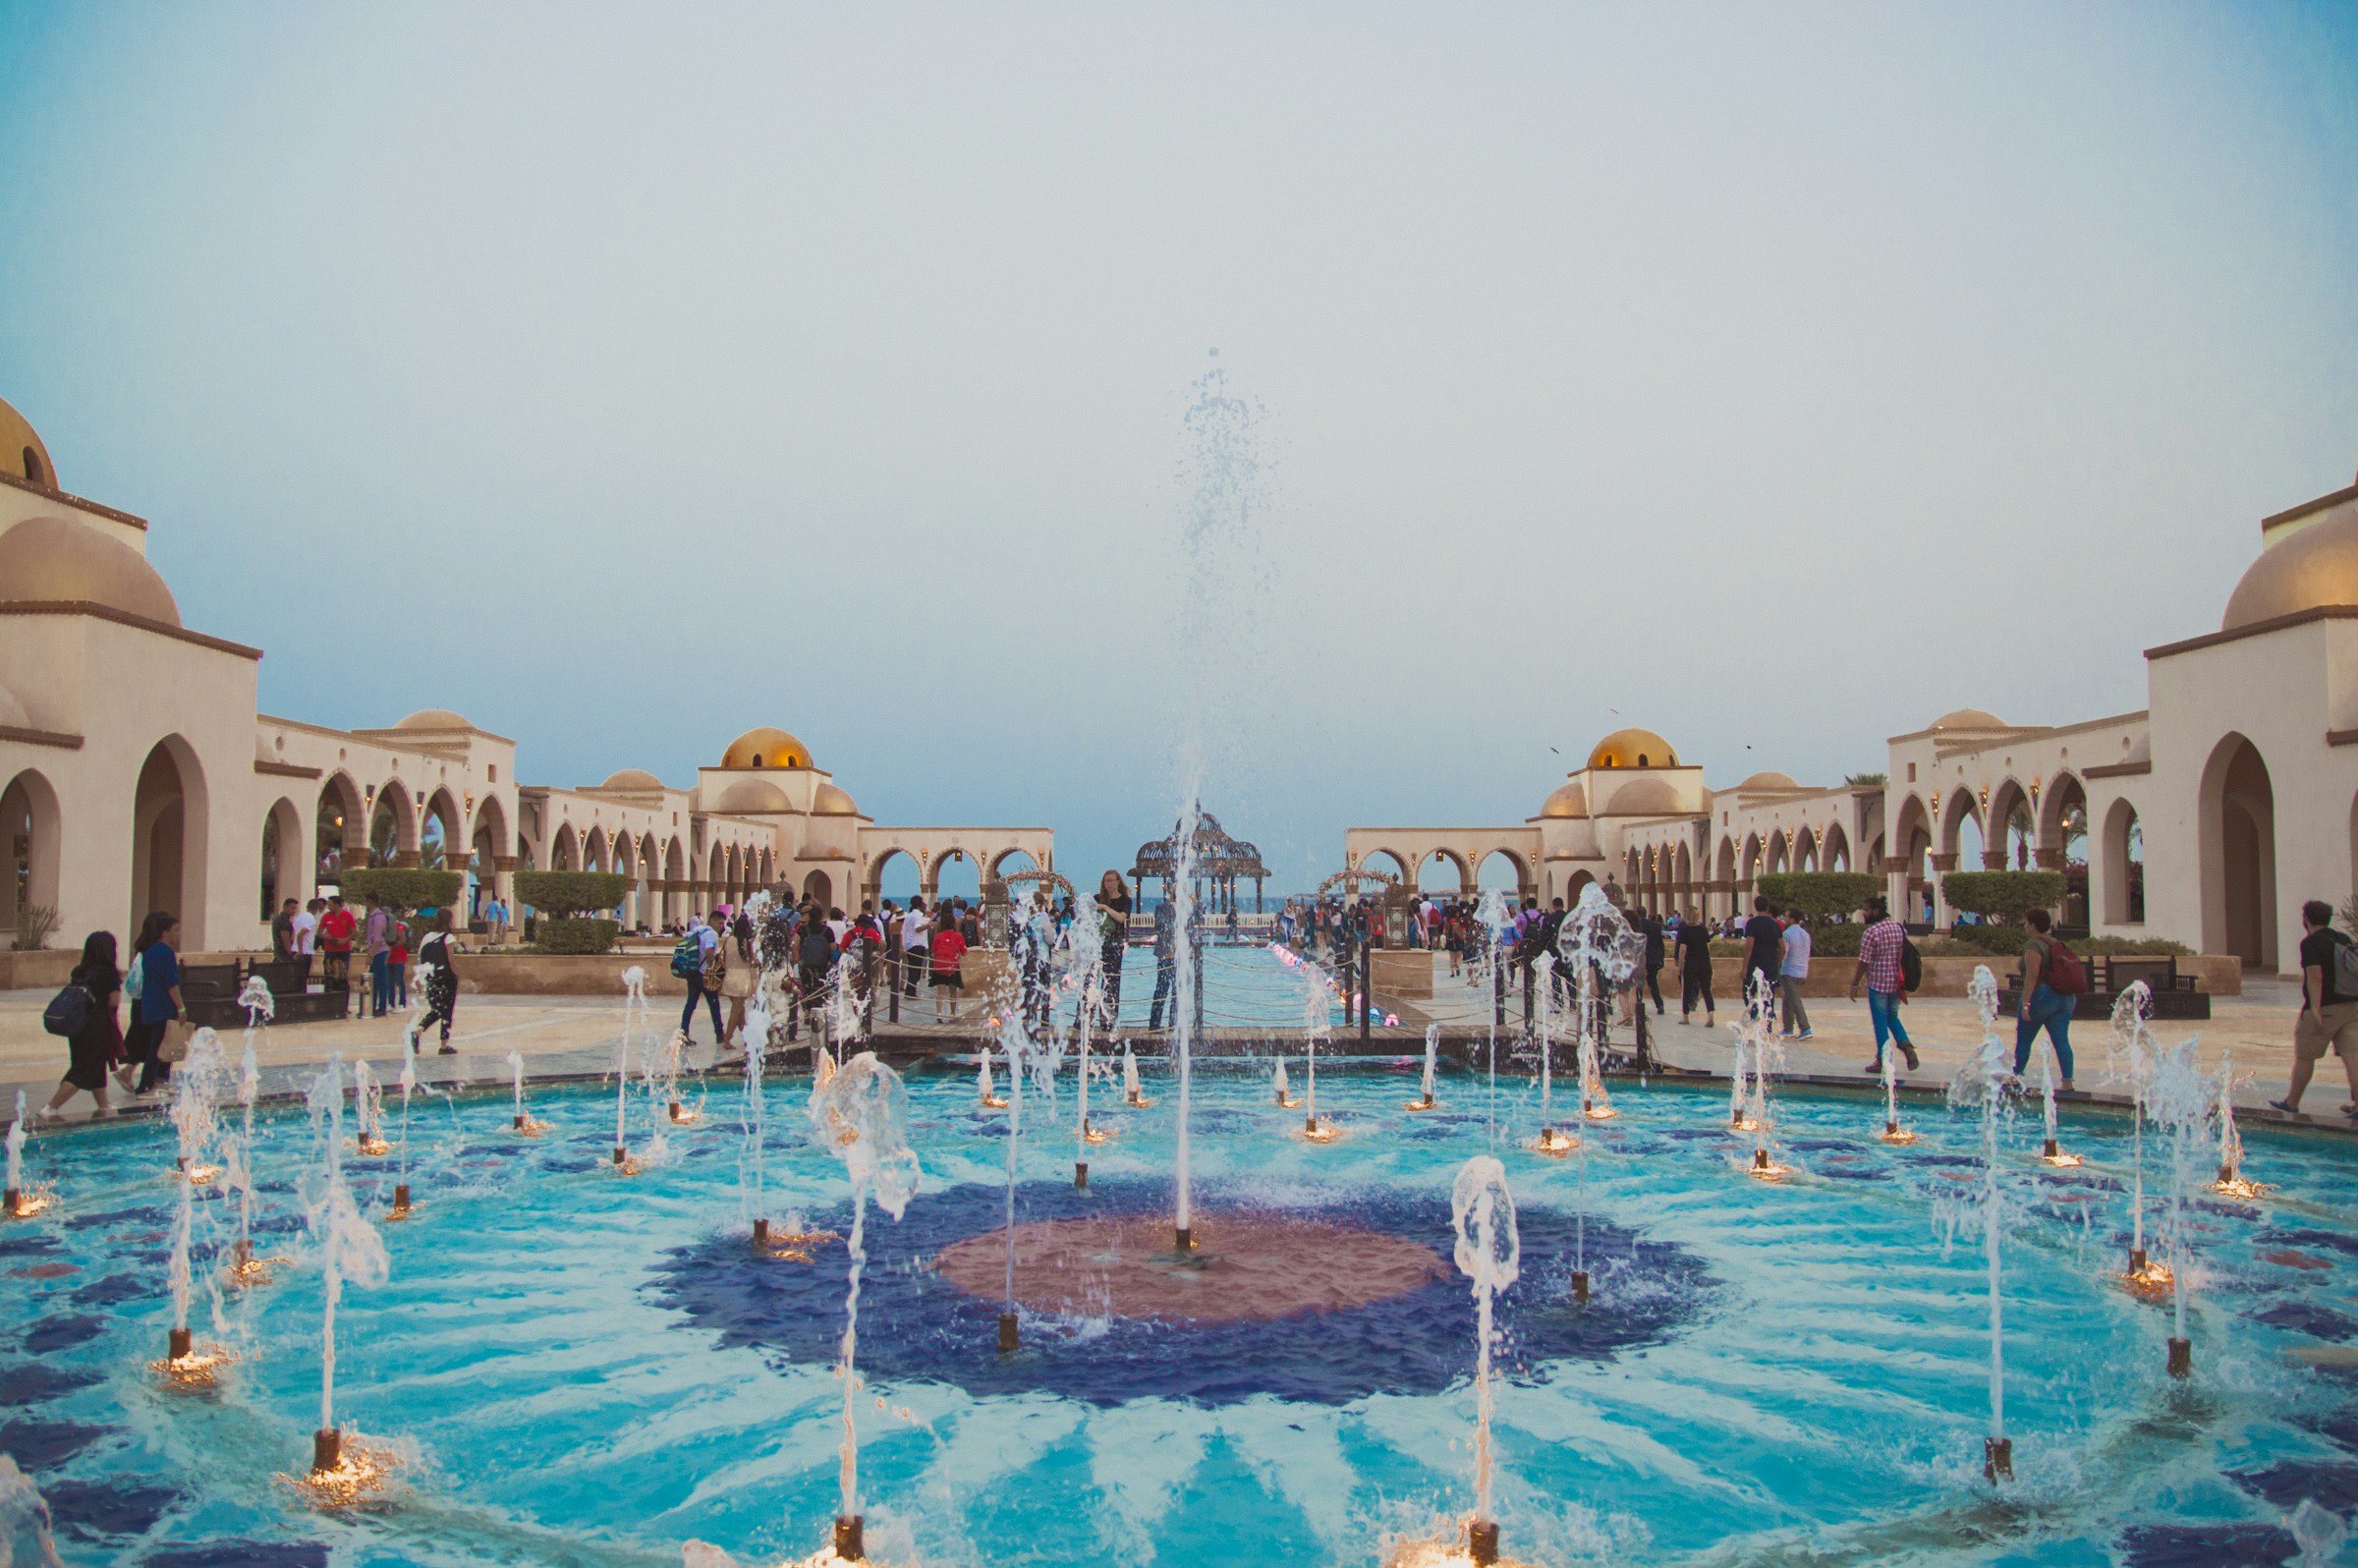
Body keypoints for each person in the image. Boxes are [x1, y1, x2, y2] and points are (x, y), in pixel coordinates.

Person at [2274, 900, 2358, 1117]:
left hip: (2326, 1008)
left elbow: (2315, 977)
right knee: (2353, 1058)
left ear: (2306, 918)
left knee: (2305, 1056)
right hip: (2350, 1006)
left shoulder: (2311, 943)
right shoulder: (2343, 939)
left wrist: (2315, 1008)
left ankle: (2291, 1102)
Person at [37, 930, 124, 1120]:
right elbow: (113, 1001)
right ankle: (51, 1107)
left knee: (95, 1065)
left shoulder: (79, 971)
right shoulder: (108, 973)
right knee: (83, 1069)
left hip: (77, 1024)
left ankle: (104, 1105)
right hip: (96, 1025)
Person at [1848, 896, 1921, 1073]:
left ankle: (1883, 1058)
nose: (1864, 913)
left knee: (1880, 1021)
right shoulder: (1899, 929)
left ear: (1875, 910)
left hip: (1878, 984)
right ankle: (1906, 1045)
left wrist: (1855, 983)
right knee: (1892, 1016)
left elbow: (1863, 961)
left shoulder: (1871, 933)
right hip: (1897, 983)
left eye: (1866, 910)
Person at [2012, 908, 2075, 1090]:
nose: (2025, 926)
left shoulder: (2034, 945)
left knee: (2024, 1039)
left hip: (2042, 996)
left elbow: (2032, 975)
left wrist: (2026, 1004)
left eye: (2026, 923)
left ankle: (2016, 1077)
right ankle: (2067, 1081)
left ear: (2032, 925)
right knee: (2061, 1041)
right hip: (2064, 998)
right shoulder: (2057, 943)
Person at [128, 910, 185, 1095]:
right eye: (175, 930)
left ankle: (157, 1081)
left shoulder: (149, 952)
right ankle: (146, 1085)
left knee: (158, 1045)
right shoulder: (166, 953)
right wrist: (181, 1007)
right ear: (165, 932)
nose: (178, 934)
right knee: (159, 1047)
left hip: (150, 1006)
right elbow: (171, 984)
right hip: (163, 1006)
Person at [417, 909, 460, 1052]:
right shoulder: (448, 937)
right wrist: (457, 974)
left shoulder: (427, 937)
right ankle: (443, 1045)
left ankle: (419, 1029)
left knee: (437, 1009)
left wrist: (420, 978)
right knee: (446, 1011)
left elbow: (420, 958)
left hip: (431, 977)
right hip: (446, 977)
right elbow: (450, 959)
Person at [681, 909, 725, 1043]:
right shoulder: (712, 934)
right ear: (712, 920)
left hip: (692, 972)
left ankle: (683, 1032)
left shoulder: (696, 930)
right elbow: (709, 952)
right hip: (704, 974)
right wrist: (714, 966)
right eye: (720, 923)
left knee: (690, 1004)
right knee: (714, 1003)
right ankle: (719, 1034)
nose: (721, 926)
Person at [718, 911, 758, 1054]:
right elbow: (752, 961)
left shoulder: (728, 940)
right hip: (742, 980)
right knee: (736, 1012)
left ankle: (747, 1039)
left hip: (729, 978)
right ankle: (727, 1038)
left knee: (740, 1012)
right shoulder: (748, 943)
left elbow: (723, 958)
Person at [1095, 870, 1131, 1025]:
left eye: (1111, 880)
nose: (1108, 884)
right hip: (1099, 942)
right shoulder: (1097, 898)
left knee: (1113, 981)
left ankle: (1111, 1017)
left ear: (1118, 882)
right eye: (1106, 881)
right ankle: (1097, 1017)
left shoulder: (1125, 900)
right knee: (1095, 980)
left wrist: (1105, 907)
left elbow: (1121, 918)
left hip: (1115, 942)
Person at [1742, 896, 1783, 1017]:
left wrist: (1744, 967)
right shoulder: (1775, 925)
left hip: (1755, 965)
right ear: (1767, 907)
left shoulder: (1752, 923)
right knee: (1769, 995)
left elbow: (1749, 945)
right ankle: (1768, 1022)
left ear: (1755, 907)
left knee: (1749, 992)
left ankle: (1754, 1015)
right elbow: (1783, 948)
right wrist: (1777, 963)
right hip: (1771, 965)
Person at [1778, 907, 1814, 1041]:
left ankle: (1805, 1028)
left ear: (1792, 919)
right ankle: (1788, 1028)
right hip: (1801, 970)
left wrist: (1778, 964)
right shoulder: (1805, 934)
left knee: (1794, 1000)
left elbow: (1784, 951)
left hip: (1789, 970)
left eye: (1786, 916)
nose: (1784, 918)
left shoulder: (1787, 934)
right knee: (1788, 999)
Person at [1677, 906, 1714, 1025]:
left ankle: (1685, 1017)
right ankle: (1710, 1015)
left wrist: (1680, 965)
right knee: (1706, 990)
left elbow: (1683, 949)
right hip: (1704, 962)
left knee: (1687, 990)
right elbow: (1708, 946)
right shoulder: (1703, 928)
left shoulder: (1684, 929)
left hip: (1691, 962)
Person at [317, 894, 357, 1010]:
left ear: (337, 905)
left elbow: (354, 932)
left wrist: (345, 940)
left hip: (344, 950)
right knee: (329, 975)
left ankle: (343, 1005)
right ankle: (328, 1005)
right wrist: (328, 937)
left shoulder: (347, 915)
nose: (328, 906)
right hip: (330, 950)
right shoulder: (326, 916)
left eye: (330, 904)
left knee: (343, 976)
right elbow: (319, 933)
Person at [930, 907, 968, 1022]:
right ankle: (952, 1013)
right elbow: (964, 952)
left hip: (940, 966)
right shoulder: (958, 937)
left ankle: (939, 1014)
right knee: (953, 991)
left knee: (940, 992)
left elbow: (933, 952)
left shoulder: (938, 937)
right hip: (953, 966)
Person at [1148, 896, 1179, 1030]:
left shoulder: (1186, 908)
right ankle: (1155, 1024)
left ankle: (1174, 1023)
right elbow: (1159, 925)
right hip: (1166, 954)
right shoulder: (1161, 908)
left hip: (1180, 955)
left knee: (1178, 991)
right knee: (1161, 989)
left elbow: (1196, 922)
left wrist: (1194, 907)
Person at [364, 893, 395, 1017]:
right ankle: (372, 1006)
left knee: (381, 980)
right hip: (376, 951)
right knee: (375, 981)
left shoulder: (378, 918)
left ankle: (382, 1007)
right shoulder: (373, 916)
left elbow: (377, 940)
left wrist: (370, 956)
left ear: (370, 902)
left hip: (379, 952)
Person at [899, 897, 931, 999]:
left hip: (909, 945)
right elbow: (917, 928)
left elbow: (904, 931)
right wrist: (927, 926)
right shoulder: (918, 915)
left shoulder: (909, 916)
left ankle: (910, 991)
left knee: (912, 969)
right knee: (915, 971)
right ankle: (911, 993)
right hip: (917, 945)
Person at [1639, 910, 1666, 1017]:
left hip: (1640, 959)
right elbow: (1660, 944)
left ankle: (1638, 1005)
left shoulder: (1635, 926)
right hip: (1653, 959)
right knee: (1653, 983)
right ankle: (1659, 1005)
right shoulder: (1656, 926)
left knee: (1639, 984)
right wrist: (1661, 959)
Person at [292, 897, 320, 984]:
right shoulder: (310, 918)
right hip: (304, 952)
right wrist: (300, 950)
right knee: (302, 977)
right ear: (317, 909)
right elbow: (301, 934)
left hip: (295, 949)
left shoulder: (300, 917)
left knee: (295, 977)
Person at [271, 897, 300, 962]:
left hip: (278, 953)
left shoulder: (279, 919)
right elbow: (286, 941)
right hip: (283, 955)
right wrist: (291, 955)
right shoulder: (284, 921)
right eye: (292, 908)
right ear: (285, 907)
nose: (294, 911)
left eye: (295, 909)